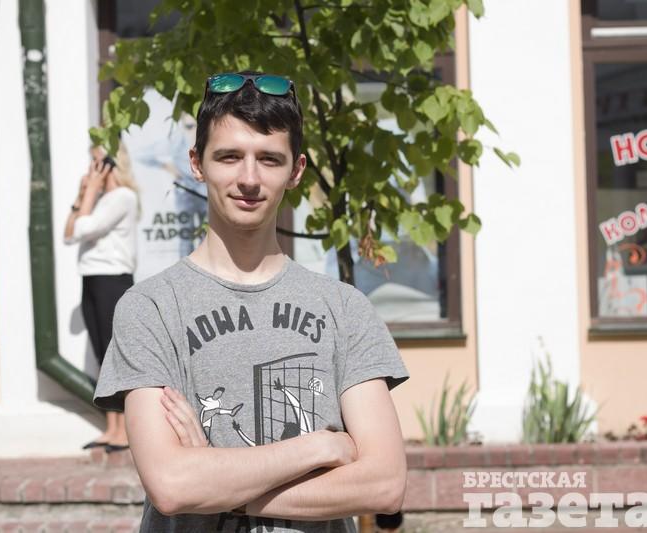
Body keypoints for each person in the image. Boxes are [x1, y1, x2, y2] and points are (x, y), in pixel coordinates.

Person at [94, 72, 410, 531]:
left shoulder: (344, 308)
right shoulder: (151, 308)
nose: (248, 178)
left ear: (296, 171)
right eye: (229, 157)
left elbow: (383, 485)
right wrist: (319, 447)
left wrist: (218, 480)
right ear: (197, 163)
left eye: (269, 159)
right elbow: (172, 485)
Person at [64, 143, 139, 453]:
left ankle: (125, 431)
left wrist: (91, 191)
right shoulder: (97, 200)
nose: (91, 168)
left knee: (114, 356)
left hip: (112, 280)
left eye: (96, 161)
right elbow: (68, 234)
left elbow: (84, 228)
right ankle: (111, 428)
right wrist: (82, 196)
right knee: (100, 355)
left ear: (111, 163)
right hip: (92, 278)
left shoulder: (123, 197)